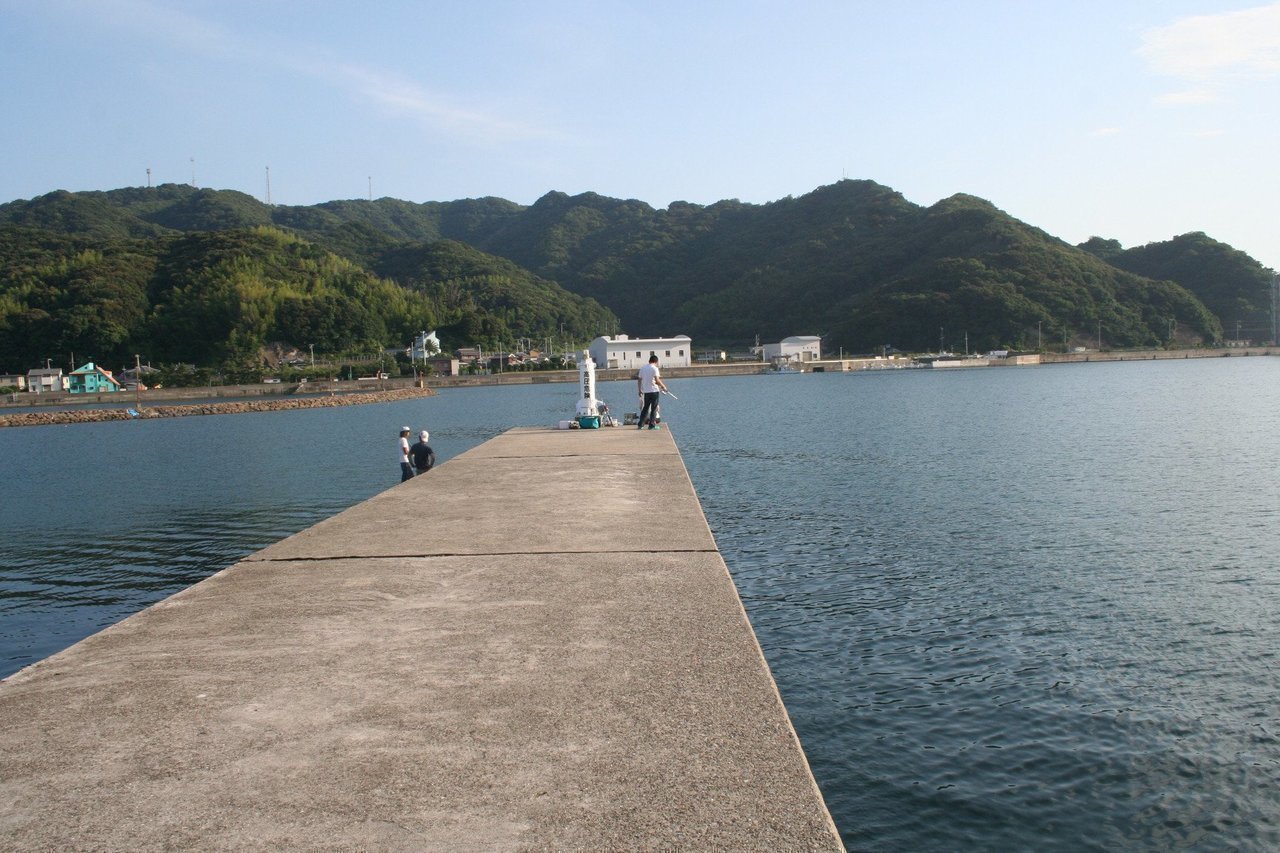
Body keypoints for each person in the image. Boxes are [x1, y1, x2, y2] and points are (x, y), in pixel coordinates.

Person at [636, 354, 668, 429]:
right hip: (654, 391)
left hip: (646, 392)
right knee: (654, 408)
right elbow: (657, 380)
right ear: (656, 361)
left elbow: (639, 380)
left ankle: (640, 425)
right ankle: (652, 425)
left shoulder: (642, 368)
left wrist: (640, 390)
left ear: (649, 361)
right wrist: (663, 387)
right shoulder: (655, 368)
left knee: (645, 408)